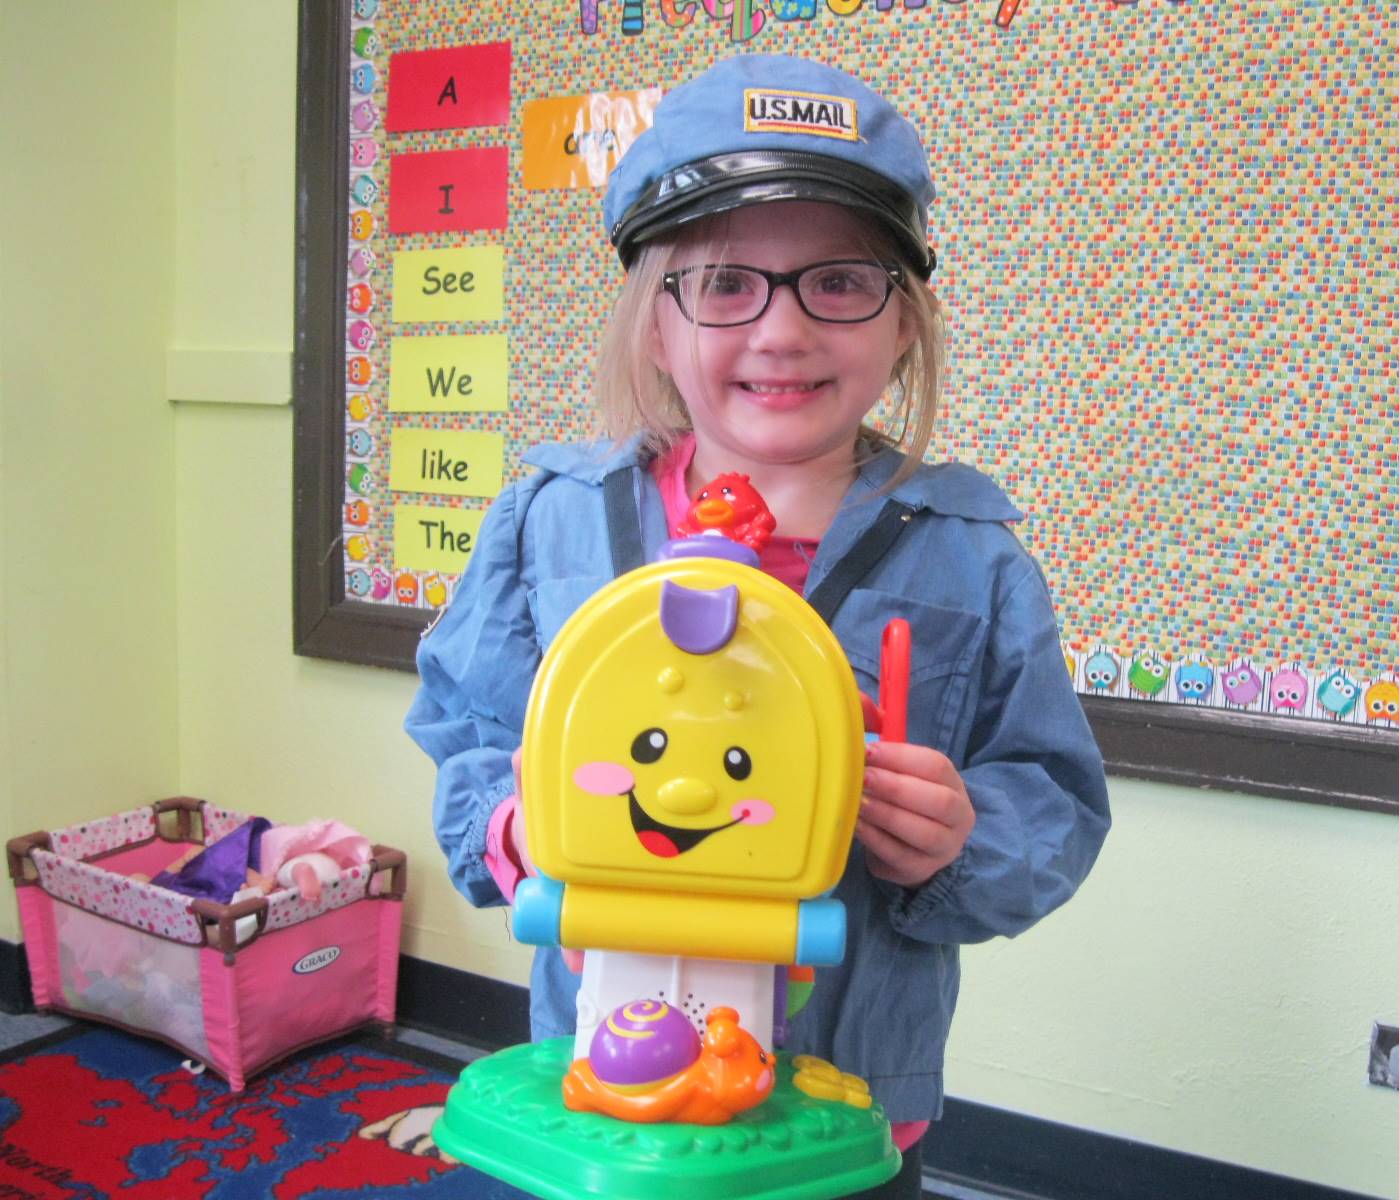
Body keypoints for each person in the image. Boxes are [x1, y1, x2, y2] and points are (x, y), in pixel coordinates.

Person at [405, 53, 1110, 1199]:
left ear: (903, 322)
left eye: (838, 281)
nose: (781, 331)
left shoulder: (969, 554)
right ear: (653, 322)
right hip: (605, 1096)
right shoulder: (554, 520)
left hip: (846, 1107)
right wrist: (512, 826)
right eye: (726, 282)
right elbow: (468, 729)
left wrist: (961, 836)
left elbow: (1055, 801)